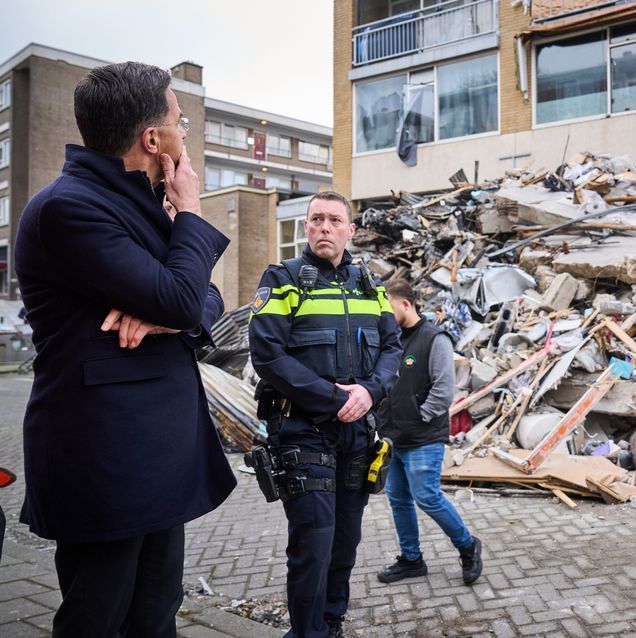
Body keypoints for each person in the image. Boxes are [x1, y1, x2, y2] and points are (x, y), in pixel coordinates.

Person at [14, 62, 236, 637]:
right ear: (152, 139)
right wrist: (189, 211)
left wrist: (167, 317)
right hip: (104, 457)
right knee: (97, 618)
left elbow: (204, 298)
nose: (185, 133)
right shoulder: (70, 209)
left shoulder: (138, 208)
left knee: (156, 614)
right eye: (180, 121)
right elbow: (189, 300)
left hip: (158, 454)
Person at [248, 191, 402, 638]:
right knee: (313, 543)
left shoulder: (370, 286)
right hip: (302, 433)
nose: (324, 227)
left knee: (344, 543)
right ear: (306, 228)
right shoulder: (284, 279)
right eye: (316, 219)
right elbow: (268, 356)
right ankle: (306, 632)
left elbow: (392, 349)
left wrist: (370, 392)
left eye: (335, 220)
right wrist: (335, 398)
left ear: (350, 231)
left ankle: (330, 623)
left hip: (357, 435)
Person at [376, 279, 483, 586]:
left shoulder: (434, 339)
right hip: (391, 437)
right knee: (398, 499)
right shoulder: (389, 341)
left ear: (405, 305)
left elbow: (444, 389)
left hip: (423, 437)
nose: (384, 314)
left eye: (388, 307)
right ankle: (411, 560)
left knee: (427, 497)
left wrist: (418, 417)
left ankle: (467, 546)